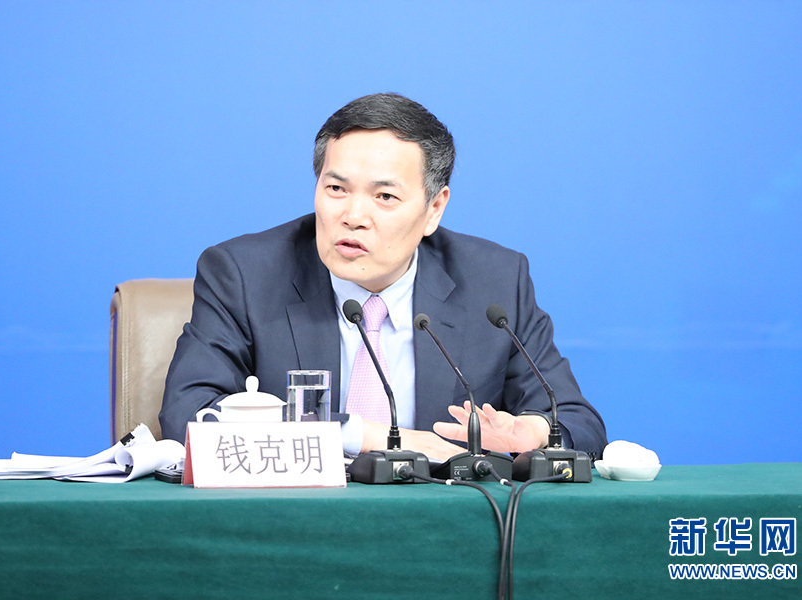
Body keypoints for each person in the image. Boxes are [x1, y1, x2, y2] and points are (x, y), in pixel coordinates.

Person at [159, 93, 606, 461]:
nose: (353, 216)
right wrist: (370, 437)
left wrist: (533, 433)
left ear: (434, 209)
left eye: (385, 196)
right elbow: (189, 414)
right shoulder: (243, 273)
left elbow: (578, 423)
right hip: (294, 521)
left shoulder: (495, 281)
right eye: (336, 189)